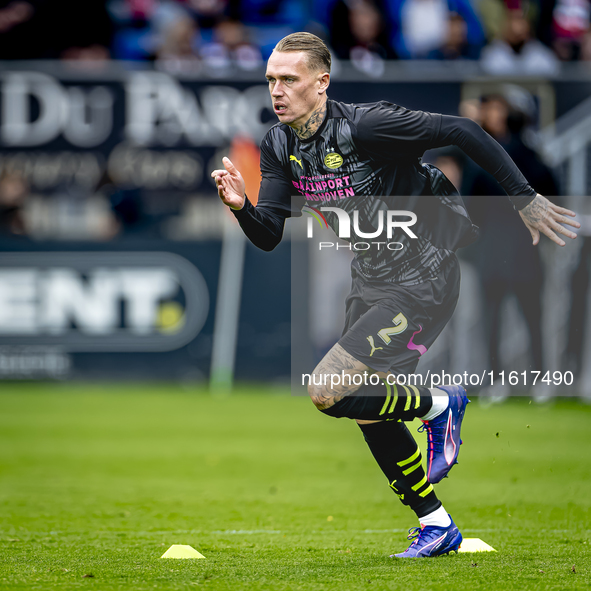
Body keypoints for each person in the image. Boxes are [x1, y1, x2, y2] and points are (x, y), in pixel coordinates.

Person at [211, 32, 579, 558]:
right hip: (373, 280)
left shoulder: (367, 125)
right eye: (271, 79)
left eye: (289, 79)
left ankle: (438, 405)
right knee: (363, 406)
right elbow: (269, 232)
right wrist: (241, 205)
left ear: (322, 83)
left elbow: (463, 130)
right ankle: (436, 524)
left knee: (325, 388)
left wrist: (522, 198)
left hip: (423, 274)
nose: (277, 90)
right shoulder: (278, 145)